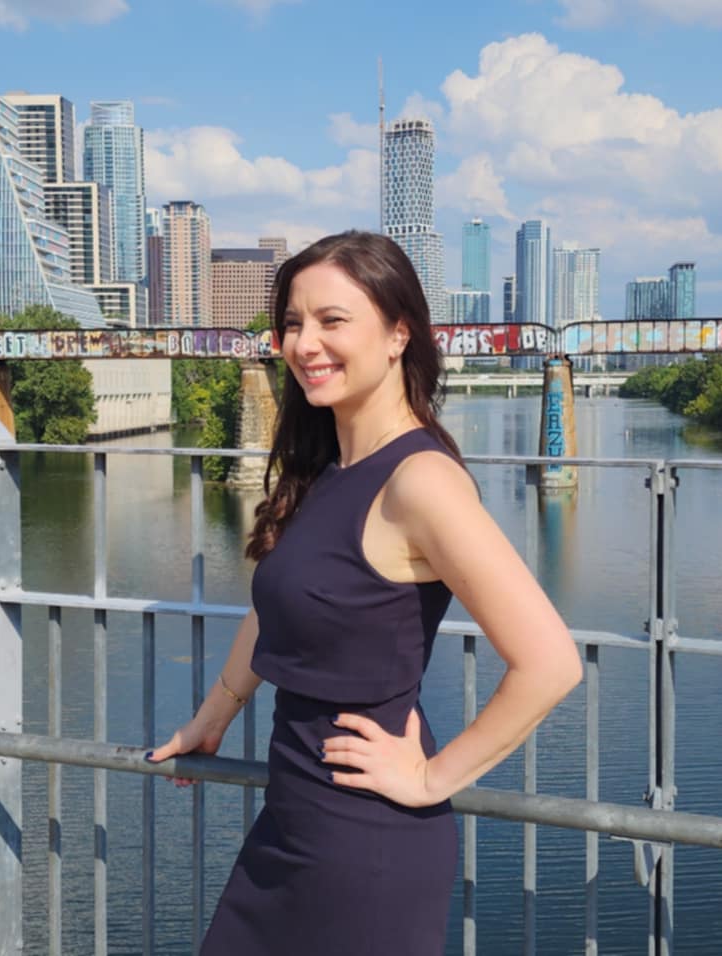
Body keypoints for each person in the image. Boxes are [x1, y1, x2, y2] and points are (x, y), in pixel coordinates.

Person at [147, 231, 582, 954]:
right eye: (292, 323)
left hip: (365, 847)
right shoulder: (328, 471)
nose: (303, 342)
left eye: (332, 320)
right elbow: (273, 607)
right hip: (293, 822)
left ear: (398, 333)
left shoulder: (421, 481)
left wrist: (431, 778)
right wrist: (212, 717)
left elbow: (550, 663)